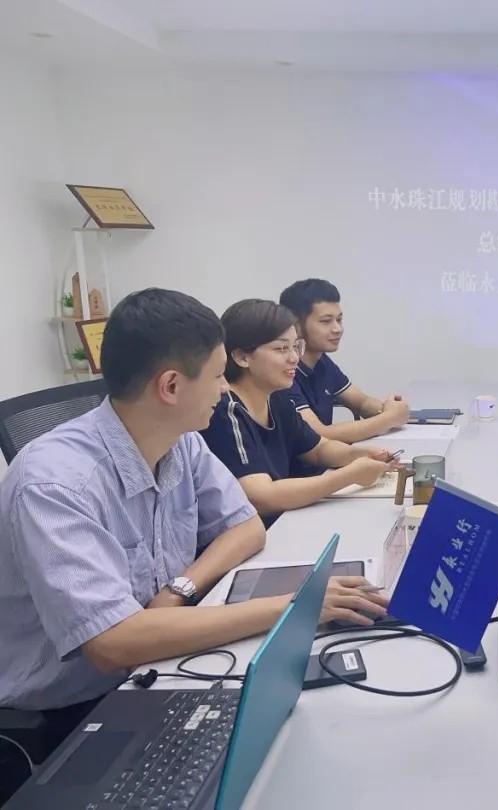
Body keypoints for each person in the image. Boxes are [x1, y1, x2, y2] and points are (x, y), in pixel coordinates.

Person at [0, 289, 388, 798]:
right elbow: (113, 644)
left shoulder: (180, 440)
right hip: (69, 712)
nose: (225, 389)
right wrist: (295, 608)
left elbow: (246, 526)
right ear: (171, 386)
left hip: (157, 662)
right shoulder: (56, 485)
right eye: (218, 375)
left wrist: (180, 589)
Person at [200, 299, 397, 526]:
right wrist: (350, 475)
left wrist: (360, 454)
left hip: (286, 520)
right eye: (281, 348)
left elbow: (318, 449)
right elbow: (261, 497)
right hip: (257, 531)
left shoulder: (276, 397)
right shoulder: (226, 411)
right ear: (242, 357)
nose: (294, 357)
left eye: (296, 347)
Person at [279, 279, 410, 444]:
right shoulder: (283, 371)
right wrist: (389, 418)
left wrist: (388, 408)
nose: (337, 329)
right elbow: (318, 434)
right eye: (326, 321)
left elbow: (362, 402)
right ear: (296, 326)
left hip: (328, 457)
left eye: (339, 320)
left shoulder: (322, 362)